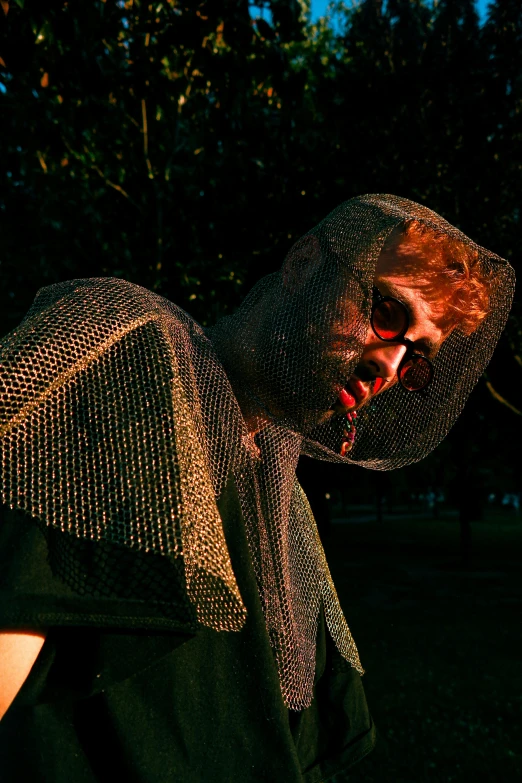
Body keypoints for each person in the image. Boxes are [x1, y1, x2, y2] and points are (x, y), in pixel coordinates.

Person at [0, 194, 515, 782]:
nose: (391, 366)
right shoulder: (137, 355)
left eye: (417, 357)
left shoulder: (286, 508)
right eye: (389, 313)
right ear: (303, 264)